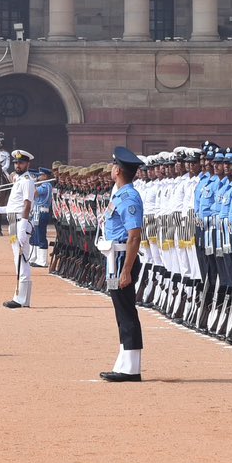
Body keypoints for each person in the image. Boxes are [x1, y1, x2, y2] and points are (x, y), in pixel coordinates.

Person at [99, 147, 146, 382]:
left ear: (117, 170)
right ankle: (124, 360)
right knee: (121, 310)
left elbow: (134, 235)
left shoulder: (129, 198)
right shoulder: (118, 194)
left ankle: (131, 367)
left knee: (126, 311)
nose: (110, 168)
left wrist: (126, 269)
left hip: (121, 259)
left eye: (112, 165)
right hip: (113, 258)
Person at [0, 149, 37, 308]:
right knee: (18, 258)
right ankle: (20, 296)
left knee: (22, 259)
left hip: (19, 223)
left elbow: (27, 204)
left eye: (21, 162)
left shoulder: (27, 180)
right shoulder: (19, 180)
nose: (18, 165)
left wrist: (23, 224)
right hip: (13, 223)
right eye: (16, 162)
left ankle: (21, 299)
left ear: (27, 164)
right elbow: (14, 205)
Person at [30, 167, 53, 267]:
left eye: (41, 175)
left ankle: (42, 261)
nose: (39, 177)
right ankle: (36, 258)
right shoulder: (43, 185)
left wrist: (30, 184)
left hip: (42, 212)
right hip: (37, 213)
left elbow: (33, 193)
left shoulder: (46, 186)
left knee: (41, 236)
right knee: (36, 235)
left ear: (45, 176)